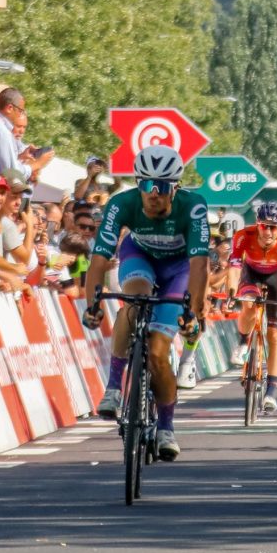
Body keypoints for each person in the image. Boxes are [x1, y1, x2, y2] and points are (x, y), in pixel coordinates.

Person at [81, 145, 208, 462]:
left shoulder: (193, 207)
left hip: (179, 269)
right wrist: (92, 305)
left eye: (162, 186)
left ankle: (166, 426)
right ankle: (113, 388)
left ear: (175, 187)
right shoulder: (120, 203)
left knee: (158, 353)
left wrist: (194, 312)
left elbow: (199, 266)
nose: (153, 193)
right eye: (146, 184)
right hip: (140, 257)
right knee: (133, 301)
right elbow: (98, 261)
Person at [225, 203, 277, 409]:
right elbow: (234, 268)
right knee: (248, 303)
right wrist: (231, 294)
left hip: (276, 276)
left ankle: (271, 392)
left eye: (273, 227)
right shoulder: (242, 236)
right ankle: (242, 343)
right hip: (251, 272)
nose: (268, 231)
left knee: (275, 335)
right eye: (264, 226)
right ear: (257, 225)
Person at [0, 88, 53, 185]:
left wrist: (20, 156)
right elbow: (12, 174)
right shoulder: (1, 131)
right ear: (9, 108)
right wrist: (37, 164)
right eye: (20, 110)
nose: (21, 114)